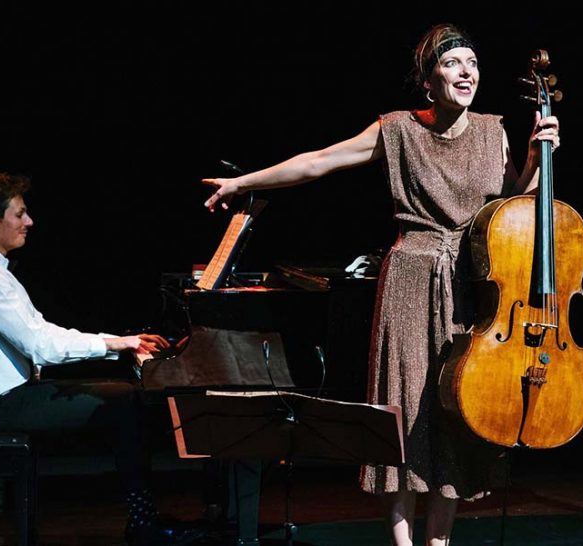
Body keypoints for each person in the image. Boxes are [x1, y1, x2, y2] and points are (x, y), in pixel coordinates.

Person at [202, 24, 561, 546]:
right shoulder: (397, 130)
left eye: (473, 63)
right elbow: (319, 161)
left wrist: (533, 160)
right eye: (452, 63)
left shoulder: (494, 130)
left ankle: (438, 542)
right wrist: (244, 182)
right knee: (405, 409)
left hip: (471, 285)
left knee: (458, 412)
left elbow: (517, 209)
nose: (466, 72)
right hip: (411, 280)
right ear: (428, 80)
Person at [0, 170, 198, 546]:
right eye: (20, 214)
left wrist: (118, 341)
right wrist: (118, 345)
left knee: (126, 396)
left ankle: (144, 519)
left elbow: (44, 332)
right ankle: (143, 525)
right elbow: (42, 347)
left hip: (11, 395)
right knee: (126, 402)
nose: (29, 222)